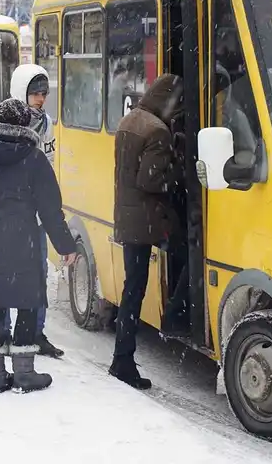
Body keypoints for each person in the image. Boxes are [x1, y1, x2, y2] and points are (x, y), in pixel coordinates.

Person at [0, 99, 78, 394]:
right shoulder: (34, 159)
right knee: (27, 302)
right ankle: (25, 374)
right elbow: (51, 209)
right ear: (25, 124)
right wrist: (65, 245)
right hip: (22, 241)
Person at [0, 63, 62, 358]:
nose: (40, 99)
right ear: (20, 92)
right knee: (4, 279)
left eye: (44, 93)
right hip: (3, 218)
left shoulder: (47, 123)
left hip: (32, 215)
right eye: (35, 93)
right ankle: (7, 337)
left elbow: (49, 161)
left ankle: (35, 333)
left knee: (37, 274)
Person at [110, 73, 182, 390]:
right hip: (147, 220)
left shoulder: (130, 121)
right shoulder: (158, 131)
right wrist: (179, 171)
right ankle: (123, 360)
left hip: (127, 215)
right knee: (136, 289)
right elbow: (150, 181)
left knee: (131, 288)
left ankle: (123, 357)